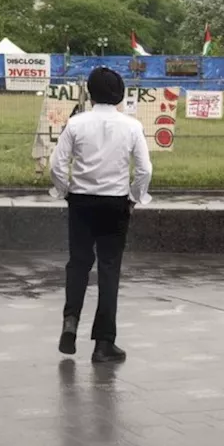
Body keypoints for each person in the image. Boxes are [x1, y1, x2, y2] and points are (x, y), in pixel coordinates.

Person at [49, 67, 152, 363]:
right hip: (115, 203)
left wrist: (65, 190)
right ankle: (104, 343)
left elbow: (57, 165)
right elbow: (144, 169)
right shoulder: (131, 126)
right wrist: (134, 196)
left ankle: (70, 321)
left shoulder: (76, 124)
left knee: (78, 263)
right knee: (109, 268)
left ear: (90, 93)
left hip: (81, 201)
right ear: (119, 93)